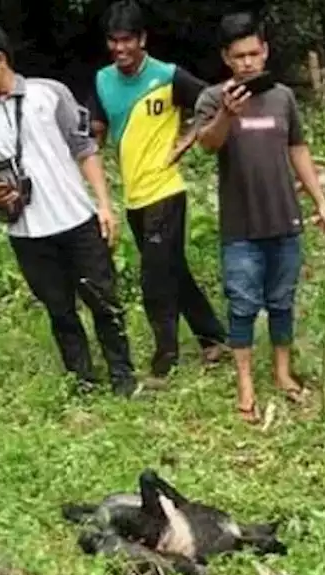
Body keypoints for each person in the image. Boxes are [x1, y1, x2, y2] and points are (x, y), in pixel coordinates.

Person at [0, 19, 137, 397]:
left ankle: (124, 377)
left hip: (76, 219)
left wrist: (104, 205)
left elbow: (85, 149)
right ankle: (82, 381)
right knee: (59, 310)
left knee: (104, 302)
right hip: (27, 232)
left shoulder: (49, 94)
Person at [191, 11, 325, 424]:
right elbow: (206, 145)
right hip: (241, 226)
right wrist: (226, 115)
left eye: (254, 53)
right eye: (239, 56)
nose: (248, 63)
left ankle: (283, 372)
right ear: (226, 58)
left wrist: (320, 200)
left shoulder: (283, 97)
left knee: (282, 302)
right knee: (241, 305)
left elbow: (298, 149)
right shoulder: (213, 98)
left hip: (285, 221)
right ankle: (245, 386)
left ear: (265, 51)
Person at [89, 0, 228, 387]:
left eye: (127, 40)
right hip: (134, 197)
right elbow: (96, 130)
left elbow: (213, 99)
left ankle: (164, 361)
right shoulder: (102, 80)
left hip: (166, 191)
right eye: (113, 41)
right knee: (172, 269)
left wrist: (189, 138)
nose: (120, 49)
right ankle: (213, 337)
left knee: (154, 277)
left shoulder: (168, 77)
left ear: (142, 40)